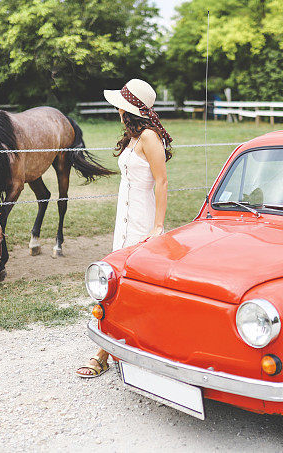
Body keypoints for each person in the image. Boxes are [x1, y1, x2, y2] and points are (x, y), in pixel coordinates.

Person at [76, 79, 172, 378]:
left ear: (126, 108)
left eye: (120, 103)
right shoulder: (133, 137)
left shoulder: (149, 138)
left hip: (142, 220)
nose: (117, 107)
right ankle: (122, 344)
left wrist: (157, 226)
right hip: (125, 218)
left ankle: (104, 353)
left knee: (125, 285)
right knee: (121, 283)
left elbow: (162, 182)